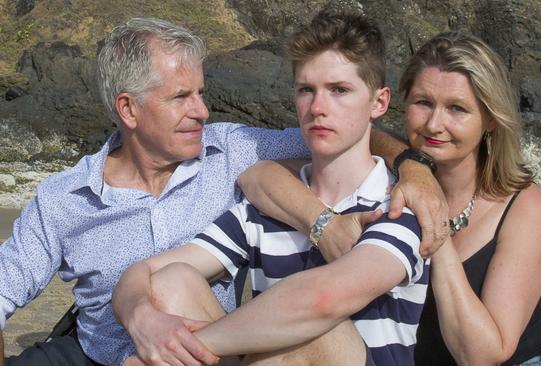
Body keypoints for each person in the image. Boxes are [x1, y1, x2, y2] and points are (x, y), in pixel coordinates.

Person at [239, 32, 541, 365]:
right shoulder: (378, 176)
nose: (435, 124)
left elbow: (484, 356)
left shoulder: (521, 203)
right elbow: (258, 176)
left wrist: (435, 226)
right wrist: (326, 224)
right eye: (423, 103)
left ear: (489, 119)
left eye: (457, 108)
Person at [113, 10, 428, 366]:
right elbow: (144, 274)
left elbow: (321, 301)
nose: (318, 108)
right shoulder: (268, 207)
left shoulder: (401, 204)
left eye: (339, 90)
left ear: (379, 102)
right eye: (306, 90)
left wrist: (180, 348)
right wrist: (142, 318)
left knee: (316, 330)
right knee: (171, 282)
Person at [0, 17, 313, 366]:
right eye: (181, 97)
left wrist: (390, 164)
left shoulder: (231, 150)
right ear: (128, 109)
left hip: (201, 355)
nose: (202, 111)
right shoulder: (64, 198)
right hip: (96, 358)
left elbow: (334, 138)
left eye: (200, 93)